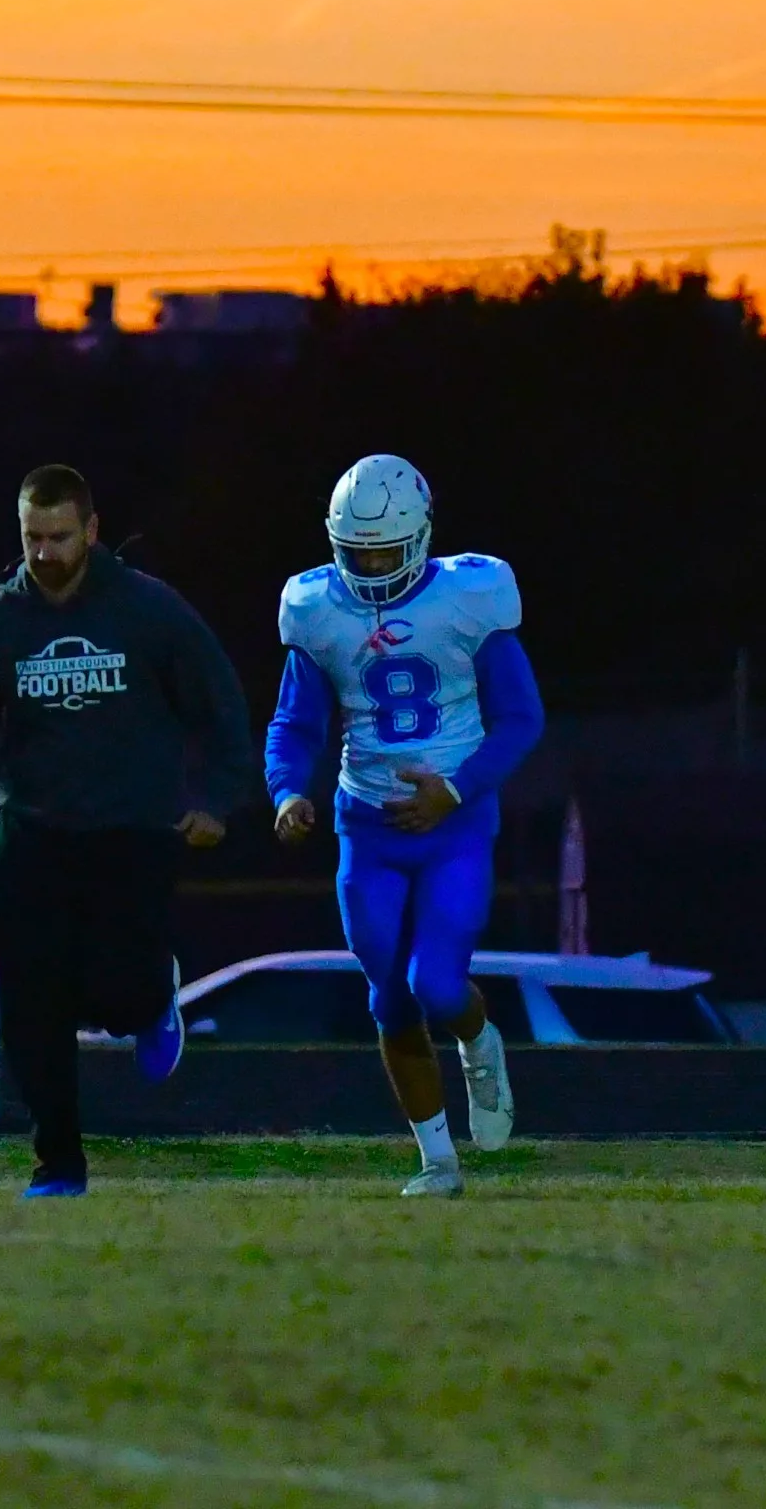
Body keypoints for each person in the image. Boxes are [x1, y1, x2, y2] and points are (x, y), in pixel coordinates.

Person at [0, 464, 253, 1197]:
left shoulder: (149, 610)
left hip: (131, 831)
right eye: (32, 538)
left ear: (92, 530)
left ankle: (152, 998)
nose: (44, 553)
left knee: (119, 993)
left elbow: (220, 705)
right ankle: (58, 1165)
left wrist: (216, 800)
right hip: (33, 834)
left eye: (59, 537)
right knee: (31, 998)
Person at [265, 455, 546, 1197]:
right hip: (368, 827)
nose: (368, 569)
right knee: (388, 1000)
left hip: (453, 826)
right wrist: (287, 791)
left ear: (419, 538)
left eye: (384, 553)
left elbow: (521, 719)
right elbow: (295, 723)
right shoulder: (317, 608)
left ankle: (478, 1041)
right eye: (355, 554)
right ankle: (438, 1163)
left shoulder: (466, 598)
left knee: (437, 985)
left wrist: (455, 789)